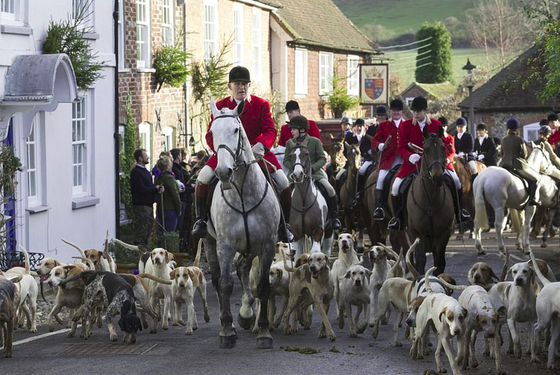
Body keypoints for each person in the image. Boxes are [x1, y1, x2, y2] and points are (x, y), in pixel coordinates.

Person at [191, 66, 294, 242]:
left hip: (256, 153)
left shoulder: (261, 104)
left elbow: (270, 129)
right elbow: (210, 134)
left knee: (283, 182)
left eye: (245, 84)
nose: (242, 87)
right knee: (203, 177)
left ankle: (284, 227)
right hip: (226, 153)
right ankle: (201, 220)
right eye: (238, 84)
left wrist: (261, 145)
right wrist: (221, 150)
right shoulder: (221, 106)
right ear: (229, 86)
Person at [387, 96, 442, 230]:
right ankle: (398, 219)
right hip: (411, 165)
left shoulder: (436, 125)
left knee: (456, 181)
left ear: (426, 111)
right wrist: (410, 156)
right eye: (414, 111)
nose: (416, 114)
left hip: (434, 164)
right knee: (395, 188)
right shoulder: (405, 125)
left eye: (419, 111)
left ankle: (459, 214)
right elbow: (401, 147)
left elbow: (443, 145)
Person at [283, 115, 341, 230]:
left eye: (294, 129)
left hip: (314, 173)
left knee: (330, 189)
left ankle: (335, 218)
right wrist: (294, 168)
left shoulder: (315, 141)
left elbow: (322, 158)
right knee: (283, 192)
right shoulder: (290, 143)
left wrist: (312, 168)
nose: (292, 131)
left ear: (302, 130)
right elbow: (286, 160)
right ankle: (283, 222)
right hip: (295, 175)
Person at [371, 99, 404, 220]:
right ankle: (378, 208)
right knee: (380, 180)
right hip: (388, 160)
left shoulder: (407, 124)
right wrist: (380, 146)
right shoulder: (384, 125)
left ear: (402, 112)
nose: (396, 113)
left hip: (404, 159)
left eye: (398, 110)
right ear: (390, 112)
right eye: (394, 110)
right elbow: (375, 141)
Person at [500, 117, 540, 206]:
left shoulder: (503, 139)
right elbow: (524, 154)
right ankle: (532, 199)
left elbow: (502, 153)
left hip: (504, 164)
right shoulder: (519, 139)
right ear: (517, 129)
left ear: (508, 128)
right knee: (535, 179)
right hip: (516, 165)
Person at [439, 117, 471, 224]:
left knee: (458, 184)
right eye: (441, 126)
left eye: (444, 126)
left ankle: (460, 211)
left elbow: (452, 151)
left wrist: (449, 158)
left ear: (447, 127)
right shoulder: (435, 138)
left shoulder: (450, 138)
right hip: (436, 167)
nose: (443, 128)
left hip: (448, 165)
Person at [130, 149, 163, 245]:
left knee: (148, 230)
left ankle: (144, 250)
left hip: (148, 204)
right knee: (141, 231)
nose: (148, 157)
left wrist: (157, 189)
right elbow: (141, 189)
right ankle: (138, 253)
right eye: (145, 155)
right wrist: (154, 189)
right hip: (141, 205)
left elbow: (149, 187)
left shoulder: (146, 172)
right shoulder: (136, 172)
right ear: (140, 158)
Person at [155, 155, 181, 236]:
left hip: (161, 209)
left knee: (162, 233)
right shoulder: (169, 178)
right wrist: (179, 209)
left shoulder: (158, 178)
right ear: (168, 165)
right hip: (170, 209)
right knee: (169, 234)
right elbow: (175, 195)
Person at [170, 148, 188, 232]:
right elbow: (180, 187)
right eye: (180, 155)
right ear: (178, 156)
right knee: (177, 226)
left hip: (183, 199)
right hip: (180, 199)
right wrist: (192, 188)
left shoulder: (179, 169)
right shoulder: (175, 170)